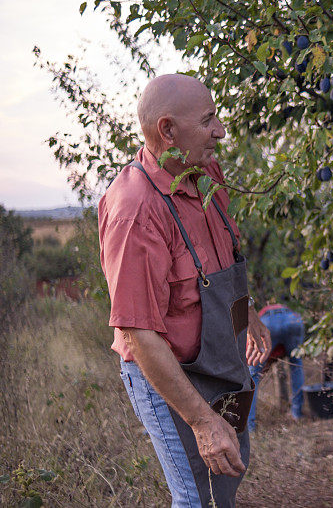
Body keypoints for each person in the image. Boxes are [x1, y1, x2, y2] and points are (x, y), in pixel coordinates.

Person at [98, 74, 271, 508]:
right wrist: (202, 421)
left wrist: (245, 312)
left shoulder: (205, 170)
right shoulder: (136, 211)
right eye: (208, 120)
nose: (221, 131)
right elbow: (141, 336)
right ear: (168, 131)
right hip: (166, 373)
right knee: (194, 497)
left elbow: (220, 256)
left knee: (222, 486)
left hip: (218, 362)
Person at [247, 303, 306, 432]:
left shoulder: (249, 344)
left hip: (267, 322)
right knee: (296, 366)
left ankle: (249, 426)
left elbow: (256, 363)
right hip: (292, 319)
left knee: (252, 376)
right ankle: (296, 413)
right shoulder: (279, 349)